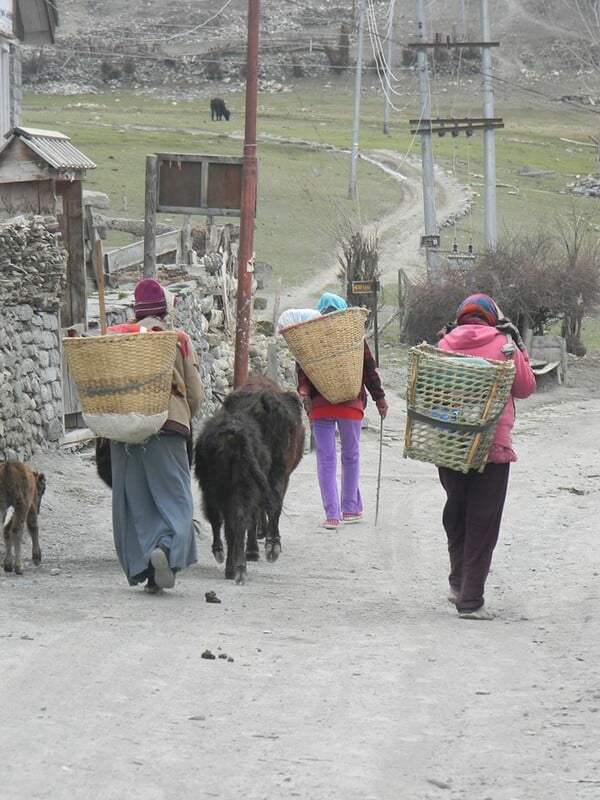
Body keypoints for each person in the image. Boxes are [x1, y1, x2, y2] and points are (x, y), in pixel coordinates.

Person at [436, 293, 536, 620]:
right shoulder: (504, 343)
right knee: (483, 520)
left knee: (457, 510)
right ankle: (471, 600)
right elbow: (525, 387)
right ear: (491, 316)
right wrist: (518, 349)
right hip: (493, 445)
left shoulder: (444, 344)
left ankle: (457, 582)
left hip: (450, 443)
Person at [108, 278, 204, 594]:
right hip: (168, 425)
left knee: (138, 502)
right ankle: (167, 550)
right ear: (163, 309)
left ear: (137, 310)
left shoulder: (118, 339)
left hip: (126, 430)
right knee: (176, 498)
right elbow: (195, 392)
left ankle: (148, 568)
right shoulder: (177, 339)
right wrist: (185, 417)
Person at [296, 292, 388, 530]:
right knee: (351, 455)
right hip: (351, 404)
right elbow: (369, 369)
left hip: (320, 406)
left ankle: (332, 515)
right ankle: (350, 508)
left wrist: (304, 391)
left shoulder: (311, 337)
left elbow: (303, 371)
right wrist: (380, 399)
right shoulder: (353, 336)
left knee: (325, 460)